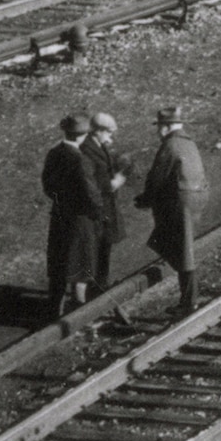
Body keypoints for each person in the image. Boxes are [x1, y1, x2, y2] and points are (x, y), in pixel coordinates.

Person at [142, 105, 208, 309]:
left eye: (159, 127)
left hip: (181, 202)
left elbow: (157, 177)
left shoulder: (170, 145)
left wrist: (146, 199)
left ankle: (189, 302)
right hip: (196, 198)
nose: (158, 132)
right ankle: (188, 298)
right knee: (182, 246)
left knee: (183, 251)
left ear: (165, 127)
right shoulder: (188, 143)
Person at [39, 112, 100, 323]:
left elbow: (47, 185)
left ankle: (54, 311)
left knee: (59, 265)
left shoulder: (54, 153)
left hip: (59, 216)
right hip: (80, 220)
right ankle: (78, 315)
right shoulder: (80, 160)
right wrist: (97, 212)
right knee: (80, 267)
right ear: (84, 135)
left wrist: (61, 201)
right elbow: (91, 194)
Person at [81, 115, 134, 305]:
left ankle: (100, 290)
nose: (111, 137)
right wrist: (117, 181)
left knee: (104, 249)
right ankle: (92, 296)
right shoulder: (86, 150)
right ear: (98, 131)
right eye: (109, 132)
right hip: (97, 210)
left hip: (106, 209)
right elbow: (94, 182)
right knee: (95, 253)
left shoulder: (99, 146)